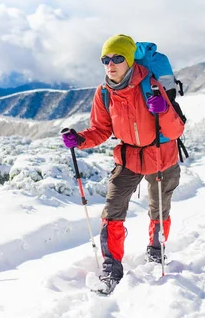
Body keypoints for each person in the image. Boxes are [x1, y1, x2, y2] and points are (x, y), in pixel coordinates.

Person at [61, 34, 185, 292]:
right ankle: (111, 265)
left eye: (118, 58)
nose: (110, 64)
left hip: (162, 154)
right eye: (105, 59)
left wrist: (162, 109)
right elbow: (100, 129)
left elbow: (174, 130)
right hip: (129, 157)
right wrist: (80, 139)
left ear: (129, 61)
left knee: (159, 208)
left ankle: (155, 248)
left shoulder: (150, 85)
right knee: (113, 209)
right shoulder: (104, 93)